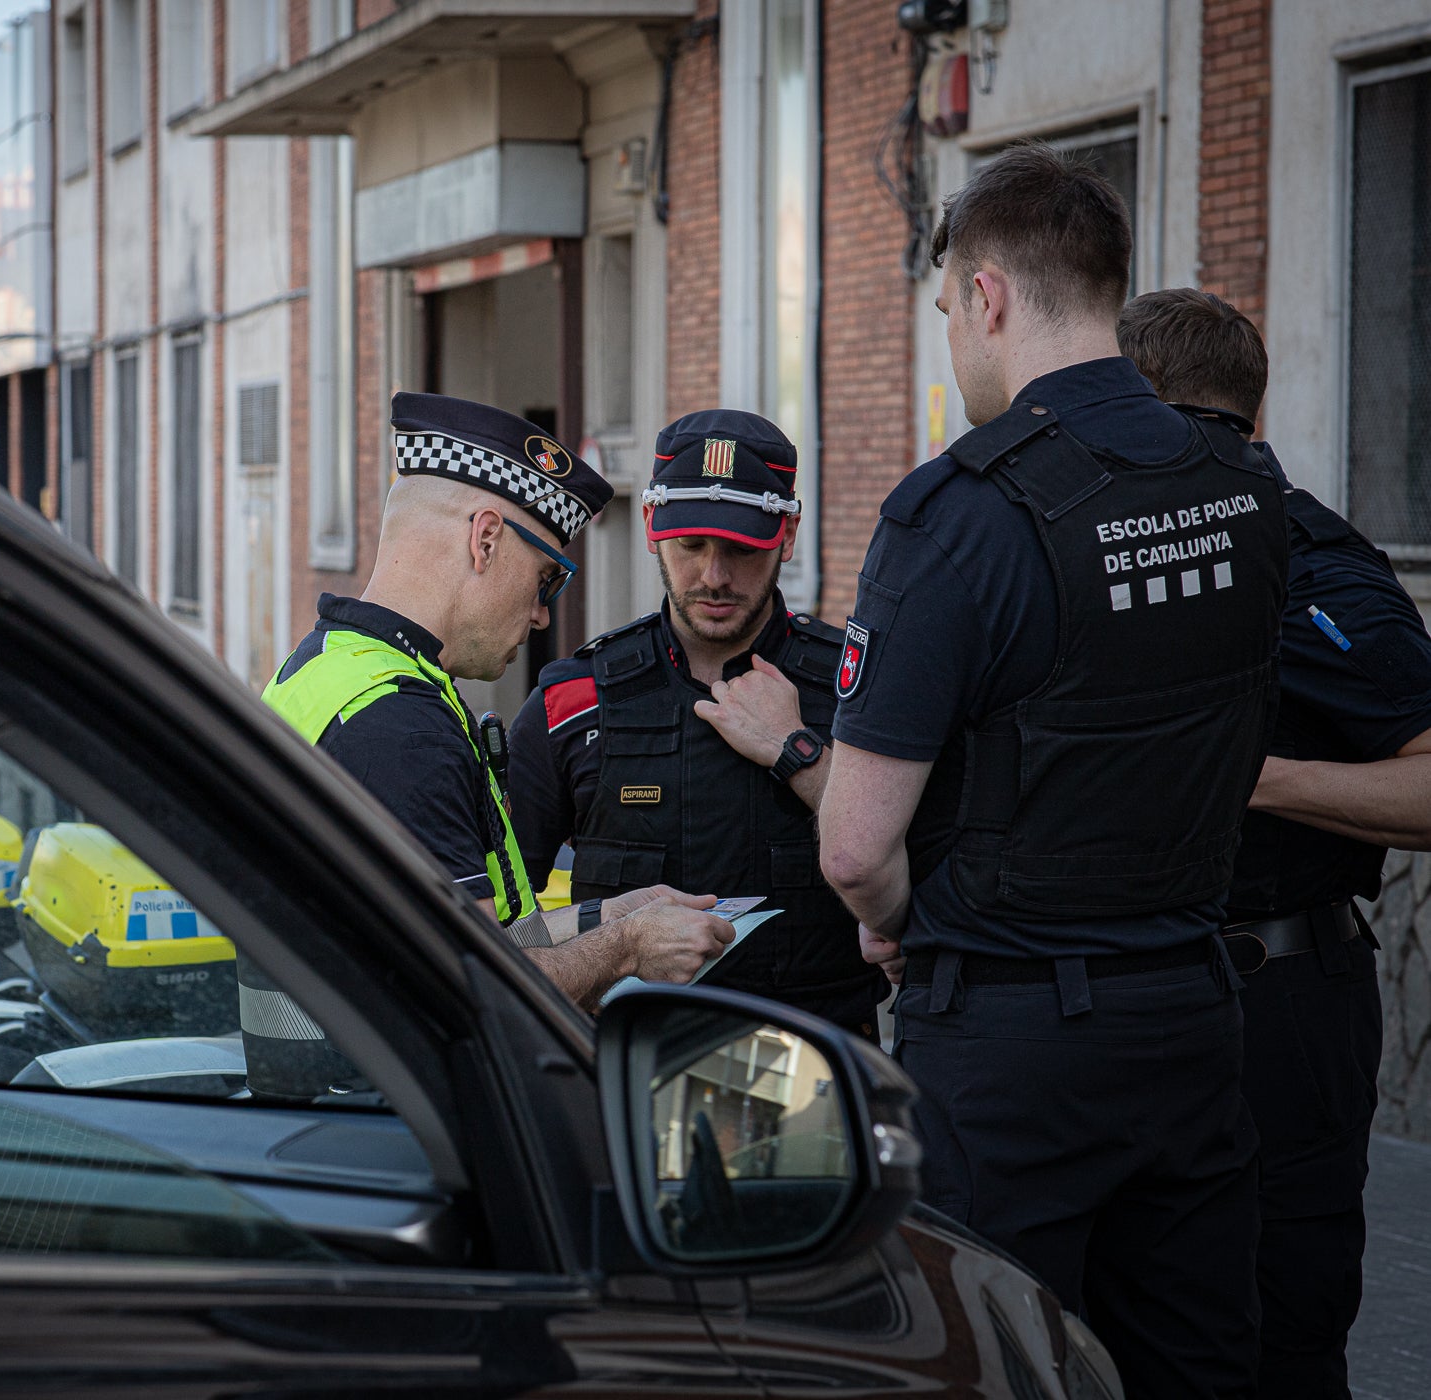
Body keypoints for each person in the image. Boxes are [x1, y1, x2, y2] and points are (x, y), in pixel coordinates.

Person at [815, 143, 1289, 1397]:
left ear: (988, 298)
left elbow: (856, 846)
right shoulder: (1244, 483)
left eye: (943, 314)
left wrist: (896, 924)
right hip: (1193, 1009)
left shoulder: (954, 516)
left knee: (995, 1361)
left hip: (1015, 1037)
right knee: (1200, 1361)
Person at [1120, 287, 1431, 1400]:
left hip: (1279, 999)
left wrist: (1261, 779)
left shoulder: (1314, 563)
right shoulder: (1090, 556)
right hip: (1122, 1001)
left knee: (1283, 1337)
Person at [263, 392, 735, 1009]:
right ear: (485, 541)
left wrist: (615, 916)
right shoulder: (400, 727)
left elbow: (480, 938)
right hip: (385, 1101)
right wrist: (627, 948)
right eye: (546, 579)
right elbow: (476, 988)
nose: (542, 616)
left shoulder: (335, 666)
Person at [506, 409, 886, 1037]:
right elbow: (498, 929)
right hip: (626, 1078)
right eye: (692, 546)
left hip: (816, 1085)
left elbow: (932, 875)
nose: (714, 576)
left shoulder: (862, 688)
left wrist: (799, 753)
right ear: (653, 526)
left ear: (787, 536)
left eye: (741, 549)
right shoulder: (574, 703)